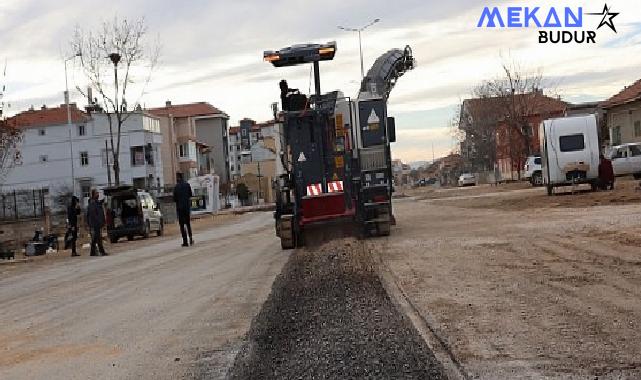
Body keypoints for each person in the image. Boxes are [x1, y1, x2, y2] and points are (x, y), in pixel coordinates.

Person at [173, 173, 194, 247]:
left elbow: (174, 199)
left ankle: (185, 241)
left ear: (178, 177)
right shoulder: (187, 185)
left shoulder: (176, 187)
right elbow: (190, 195)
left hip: (180, 208)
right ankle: (191, 238)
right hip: (186, 207)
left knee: (182, 225)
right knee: (188, 224)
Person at [86, 189, 107, 256]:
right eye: (96, 193)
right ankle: (102, 251)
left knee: (95, 238)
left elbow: (100, 211)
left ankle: (92, 252)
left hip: (98, 223)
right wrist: (99, 221)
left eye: (98, 193)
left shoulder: (96, 203)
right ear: (93, 195)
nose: (98, 194)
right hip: (95, 223)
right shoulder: (92, 203)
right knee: (98, 238)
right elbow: (93, 214)